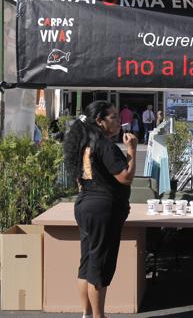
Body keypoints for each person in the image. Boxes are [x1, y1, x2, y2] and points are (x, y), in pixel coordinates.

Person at [63, 100, 138, 318]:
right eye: (113, 117)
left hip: (86, 204)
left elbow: (79, 179)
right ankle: (98, 316)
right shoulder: (105, 145)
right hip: (103, 209)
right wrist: (131, 151)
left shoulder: (84, 144)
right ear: (100, 121)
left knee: (87, 262)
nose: (119, 121)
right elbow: (125, 177)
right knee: (99, 265)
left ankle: (87, 314)